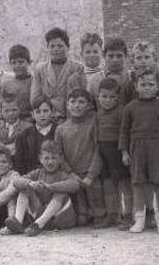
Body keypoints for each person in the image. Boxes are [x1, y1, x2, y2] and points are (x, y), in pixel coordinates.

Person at [121, 40, 159, 229]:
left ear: (154, 58)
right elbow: (126, 122)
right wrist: (125, 150)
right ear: (133, 60)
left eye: (147, 57)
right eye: (139, 58)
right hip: (138, 144)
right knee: (140, 180)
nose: (143, 61)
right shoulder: (129, 86)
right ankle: (146, 215)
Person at [5, 140, 80, 236]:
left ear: (61, 159)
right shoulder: (37, 173)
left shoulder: (63, 175)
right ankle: (18, 222)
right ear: (40, 159)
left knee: (61, 193)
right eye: (46, 158)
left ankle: (39, 224)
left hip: (59, 218)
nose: (50, 162)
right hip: (38, 216)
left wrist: (52, 187)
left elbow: (75, 185)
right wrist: (30, 183)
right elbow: (16, 182)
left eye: (54, 158)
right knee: (25, 188)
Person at [55, 88, 105, 227]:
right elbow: (59, 154)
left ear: (89, 105)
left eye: (81, 102)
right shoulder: (61, 128)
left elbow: (98, 149)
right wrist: (70, 173)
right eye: (73, 102)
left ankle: (98, 213)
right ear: (67, 104)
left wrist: (91, 175)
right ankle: (82, 213)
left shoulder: (93, 123)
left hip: (91, 174)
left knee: (97, 203)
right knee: (81, 219)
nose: (77, 105)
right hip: (72, 174)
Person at [95, 78, 132, 229]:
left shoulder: (122, 111)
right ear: (98, 96)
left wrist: (125, 152)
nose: (107, 100)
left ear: (117, 98)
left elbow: (125, 133)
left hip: (117, 152)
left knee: (125, 186)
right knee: (108, 185)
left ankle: (129, 215)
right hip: (103, 153)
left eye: (112, 97)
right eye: (104, 96)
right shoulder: (98, 113)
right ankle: (112, 214)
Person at [30, 27, 83, 117]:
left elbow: (80, 98)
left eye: (60, 46)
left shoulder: (77, 68)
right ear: (47, 48)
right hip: (46, 117)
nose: (56, 49)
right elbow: (34, 99)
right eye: (52, 46)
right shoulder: (40, 69)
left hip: (69, 117)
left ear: (68, 47)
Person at [13, 96, 57, 175]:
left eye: (45, 111)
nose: (42, 115)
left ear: (52, 112)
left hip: (56, 176)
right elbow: (19, 164)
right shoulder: (23, 136)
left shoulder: (59, 131)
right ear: (32, 114)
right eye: (38, 112)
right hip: (32, 177)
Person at [87, 37, 130, 103]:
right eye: (111, 56)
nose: (115, 60)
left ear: (126, 56)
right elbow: (90, 107)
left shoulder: (133, 79)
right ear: (104, 55)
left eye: (119, 56)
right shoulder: (95, 81)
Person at [0, 95, 32, 159]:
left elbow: (26, 149)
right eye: (6, 111)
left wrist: (3, 147)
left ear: (20, 109)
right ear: (1, 111)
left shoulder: (28, 128)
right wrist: (13, 147)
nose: (10, 114)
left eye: (14, 110)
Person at [1, 45, 33, 121]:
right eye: (14, 63)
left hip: (31, 121)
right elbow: (1, 105)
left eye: (21, 62)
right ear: (10, 64)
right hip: (11, 121)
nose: (17, 66)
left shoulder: (35, 81)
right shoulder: (6, 84)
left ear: (29, 62)